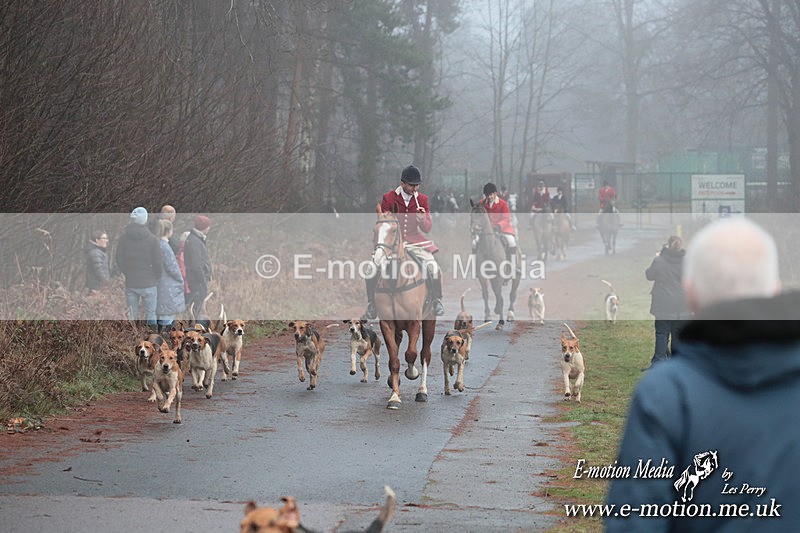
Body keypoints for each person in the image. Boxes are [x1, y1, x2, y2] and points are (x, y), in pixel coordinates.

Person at [605, 218, 800, 531]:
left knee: (660, 337)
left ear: (692, 293)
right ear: (775, 288)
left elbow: (634, 520)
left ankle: (658, 356)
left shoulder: (664, 393)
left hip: (665, 315)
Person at [363, 165, 444, 319]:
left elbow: (427, 228)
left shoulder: (422, 199)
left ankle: (436, 300)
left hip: (415, 242)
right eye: (412, 185)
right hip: (391, 243)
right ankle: (372, 304)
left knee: (433, 266)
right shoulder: (389, 198)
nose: (415, 188)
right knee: (370, 269)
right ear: (402, 183)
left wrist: (422, 219)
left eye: (417, 185)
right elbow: (385, 222)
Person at [643, 235, 689, 369]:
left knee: (662, 333)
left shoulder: (659, 260)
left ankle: (658, 361)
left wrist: (657, 257)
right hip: (682, 302)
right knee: (677, 334)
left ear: (668, 245)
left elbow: (649, 275)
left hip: (663, 302)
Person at [115, 207, 163, 327]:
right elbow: (158, 262)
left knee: (132, 313)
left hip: (131, 282)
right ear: (145, 220)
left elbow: (119, 259)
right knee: (151, 313)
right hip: (149, 282)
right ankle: (152, 338)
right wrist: (156, 277)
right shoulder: (153, 239)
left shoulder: (123, 238)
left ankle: (132, 336)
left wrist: (128, 272)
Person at [474, 182, 518, 269]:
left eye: (491, 195)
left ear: (495, 194)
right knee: (474, 243)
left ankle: (513, 267)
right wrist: (476, 225)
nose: (489, 197)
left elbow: (506, 219)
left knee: (511, 242)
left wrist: (498, 226)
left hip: (502, 229)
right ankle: (476, 267)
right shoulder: (481, 203)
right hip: (486, 231)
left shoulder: (503, 204)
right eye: (487, 195)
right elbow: (477, 217)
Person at [155, 219, 185, 333]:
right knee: (167, 312)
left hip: (160, 282)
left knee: (163, 310)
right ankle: (165, 335)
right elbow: (172, 266)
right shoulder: (165, 246)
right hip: (167, 283)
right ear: (169, 231)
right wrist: (180, 279)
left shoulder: (157, 244)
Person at [183, 214, 213, 321]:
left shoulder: (196, 239)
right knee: (194, 307)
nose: (209, 228)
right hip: (197, 280)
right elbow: (196, 265)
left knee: (196, 305)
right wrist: (202, 281)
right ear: (204, 227)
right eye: (208, 226)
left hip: (197, 279)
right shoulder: (194, 241)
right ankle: (193, 327)